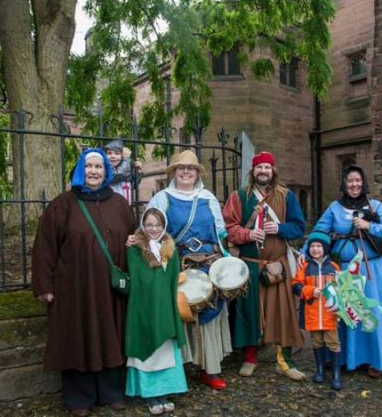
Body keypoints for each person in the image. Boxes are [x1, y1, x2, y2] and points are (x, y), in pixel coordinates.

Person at [32, 148, 135, 416]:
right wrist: (45, 286)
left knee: (112, 336)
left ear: (106, 171)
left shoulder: (120, 204)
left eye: (98, 167)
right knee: (78, 337)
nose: (93, 171)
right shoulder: (62, 204)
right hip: (75, 288)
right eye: (88, 166)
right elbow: (45, 247)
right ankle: (79, 398)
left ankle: (112, 392)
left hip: (111, 290)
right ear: (80, 169)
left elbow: (134, 238)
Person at [142, 150, 232, 390]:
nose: (185, 172)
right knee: (179, 316)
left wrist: (225, 262)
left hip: (208, 264)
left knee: (209, 317)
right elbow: (150, 230)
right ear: (173, 172)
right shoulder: (163, 198)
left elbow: (220, 231)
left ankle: (209, 370)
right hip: (178, 265)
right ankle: (177, 370)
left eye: (190, 169)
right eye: (180, 168)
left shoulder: (208, 198)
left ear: (196, 173)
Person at [301, 165, 382, 379]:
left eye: (358, 180)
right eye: (350, 180)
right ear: (344, 184)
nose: (354, 184)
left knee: (368, 312)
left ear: (364, 183)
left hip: (370, 269)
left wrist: (367, 225)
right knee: (344, 315)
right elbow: (319, 231)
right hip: (343, 271)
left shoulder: (377, 206)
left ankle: (375, 359)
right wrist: (304, 251)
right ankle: (343, 358)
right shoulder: (334, 208)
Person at [222, 151, 306, 380]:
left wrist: (280, 229)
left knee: (283, 312)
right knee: (249, 312)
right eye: (259, 168)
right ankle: (250, 357)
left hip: (278, 265)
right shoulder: (239, 197)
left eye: (267, 168)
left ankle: (284, 361)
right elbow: (228, 228)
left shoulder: (286, 196)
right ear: (253, 171)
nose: (263, 171)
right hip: (249, 265)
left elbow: (299, 226)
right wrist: (248, 234)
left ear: (273, 170)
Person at [124, 207, 187, 415]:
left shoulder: (170, 249)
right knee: (149, 352)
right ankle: (150, 395)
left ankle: (164, 392)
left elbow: (171, 279)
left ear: (164, 226)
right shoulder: (135, 248)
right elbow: (140, 277)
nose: (153, 229)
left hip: (165, 307)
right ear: (143, 225)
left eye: (157, 225)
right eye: (149, 224)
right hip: (144, 306)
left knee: (165, 351)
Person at [292, 230, 343, 389]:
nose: (315, 249)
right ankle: (320, 370)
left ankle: (336, 374)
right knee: (316, 342)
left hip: (330, 314)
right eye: (312, 246)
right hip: (312, 313)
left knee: (333, 342)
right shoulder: (305, 267)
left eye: (319, 246)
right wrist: (309, 291)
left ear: (325, 248)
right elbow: (295, 285)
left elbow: (342, 289)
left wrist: (341, 309)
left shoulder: (334, 267)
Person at [104, 139, 143, 204]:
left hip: (125, 208)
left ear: (122, 156)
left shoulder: (125, 169)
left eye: (117, 153)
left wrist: (138, 171)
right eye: (109, 153)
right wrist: (126, 159)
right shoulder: (104, 169)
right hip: (110, 208)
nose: (113, 156)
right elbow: (116, 176)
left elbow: (133, 185)